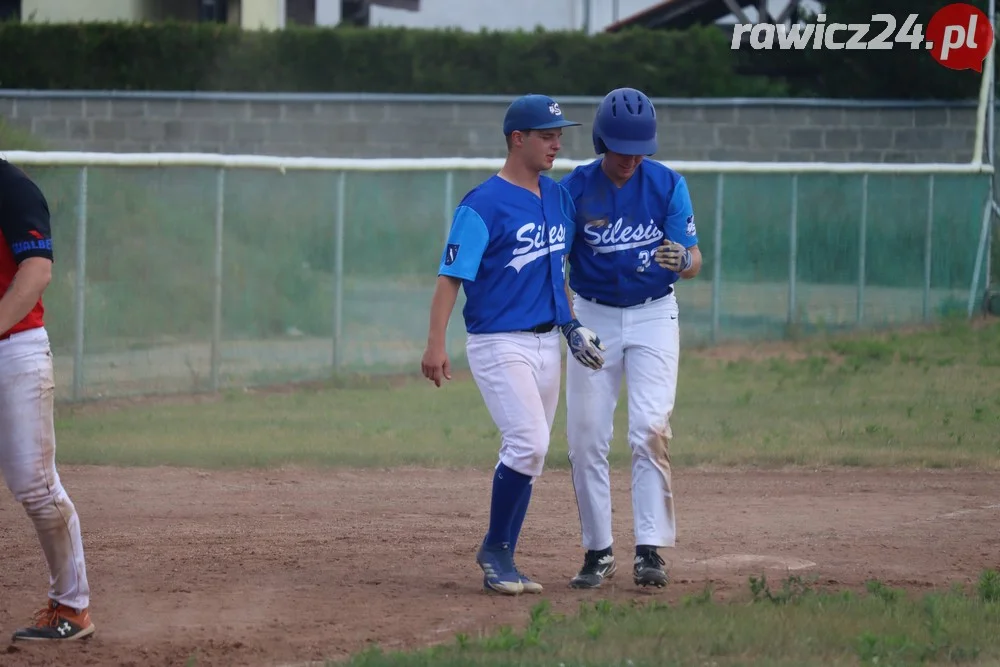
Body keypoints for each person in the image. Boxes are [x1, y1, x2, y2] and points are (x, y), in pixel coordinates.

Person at [421, 94, 606, 595]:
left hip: (550, 344)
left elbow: (557, 274)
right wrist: (436, 344)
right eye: (547, 135)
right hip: (498, 341)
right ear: (517, 139)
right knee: (529, 443)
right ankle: (495, 550)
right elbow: (449, 278)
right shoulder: (481, 205)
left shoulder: (557, 197)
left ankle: (504, 554)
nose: (557, 143)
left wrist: (570, 325)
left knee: (530, 454)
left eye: (559, 134)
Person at [559, 87, 703, 590]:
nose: (630, 158)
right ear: (601, 141)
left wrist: (683, 261)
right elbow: (557, 264)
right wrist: (569, 323)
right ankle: (598, 552)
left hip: (653, 316)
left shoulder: (666, 185)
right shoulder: (574, 190)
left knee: (649, 429)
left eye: (640, 148)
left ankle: (650, 551)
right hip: (593, 316)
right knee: (585, 437)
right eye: (621, 148)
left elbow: (693, 258)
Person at [0, 159, 96, 641]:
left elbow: (36, 272)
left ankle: (72, 609)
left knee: (35, 486)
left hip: (15, 352)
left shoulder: (12, 188)